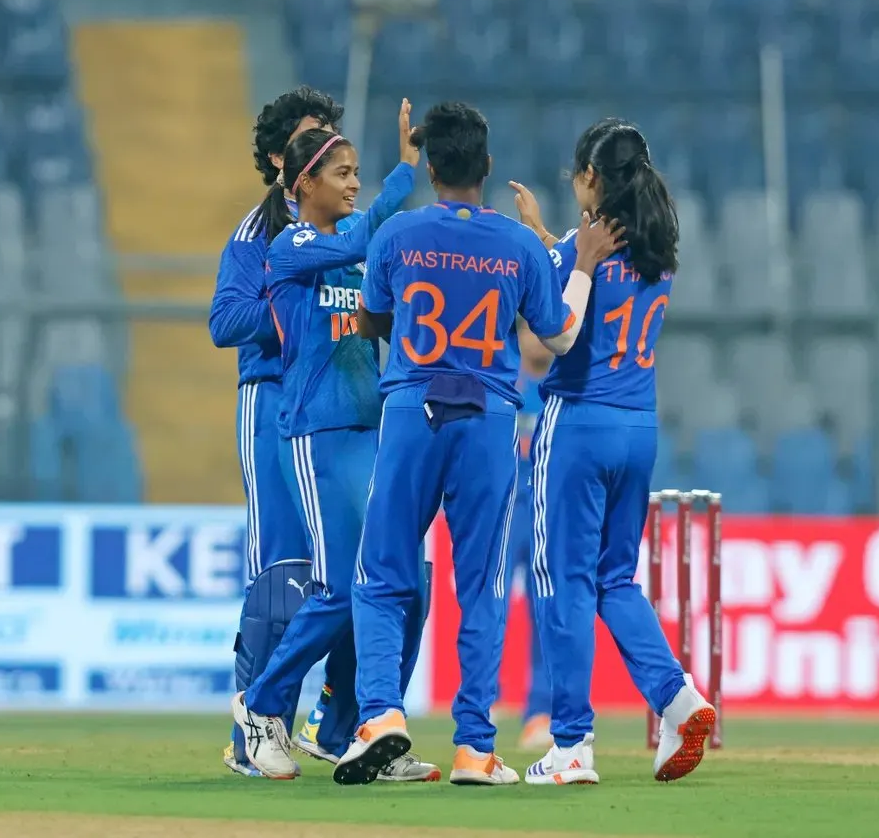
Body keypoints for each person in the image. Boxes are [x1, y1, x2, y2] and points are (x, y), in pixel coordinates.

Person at [332, 101, 625, 787]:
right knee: (483, 581)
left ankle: (379, 712)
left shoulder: (399, 234)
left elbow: (373, 315)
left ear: (431, 166)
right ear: (486, 167)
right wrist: (579, 263)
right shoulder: (519, 246)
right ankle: (473, 746)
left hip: (410, 411)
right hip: (490, 419)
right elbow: (559, 338)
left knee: (380, 573)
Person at [231, 102, 439, 783]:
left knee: (404, 581)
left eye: (360, 173)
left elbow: (376, 291)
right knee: (342, 587)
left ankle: (368, 728)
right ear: (304, 184)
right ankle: (262, 706)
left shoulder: (348, 246)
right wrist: (407, 171)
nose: (355, 183)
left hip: (368, 430)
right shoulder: (291, 246)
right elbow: (363, 238)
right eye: (344, 173)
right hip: (314, 435)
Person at [509, 119, 715, 786]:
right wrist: (551, 242)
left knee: (563, 581)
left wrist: (546, 249)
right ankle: (679, 700)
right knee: (615, 579)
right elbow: (579, 265)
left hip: (576, 424)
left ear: (591, 180)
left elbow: (549, 342)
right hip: (639, 426)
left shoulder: (579, 252)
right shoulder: (660, 254)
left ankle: (570, 742)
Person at [209, 86, 359, 779]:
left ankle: (336, 722)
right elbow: (224, 323)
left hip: (338, 407)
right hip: (271, 400)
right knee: (283, 572)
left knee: (360, 566)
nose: (327, 151)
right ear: (280, 161)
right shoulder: (255, 236)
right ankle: (253, 734)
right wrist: (285, 292)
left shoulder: (345, 229)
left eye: (331, 137)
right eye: (310, 140)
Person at [510, 326, 554, 751]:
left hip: (546, 510)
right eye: (533, 333)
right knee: (489, 604)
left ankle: (539, 712)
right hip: (506, 510)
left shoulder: (560, 384)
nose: (540, 341)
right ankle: (478, 702)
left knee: (544, 612)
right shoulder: (505, 378)